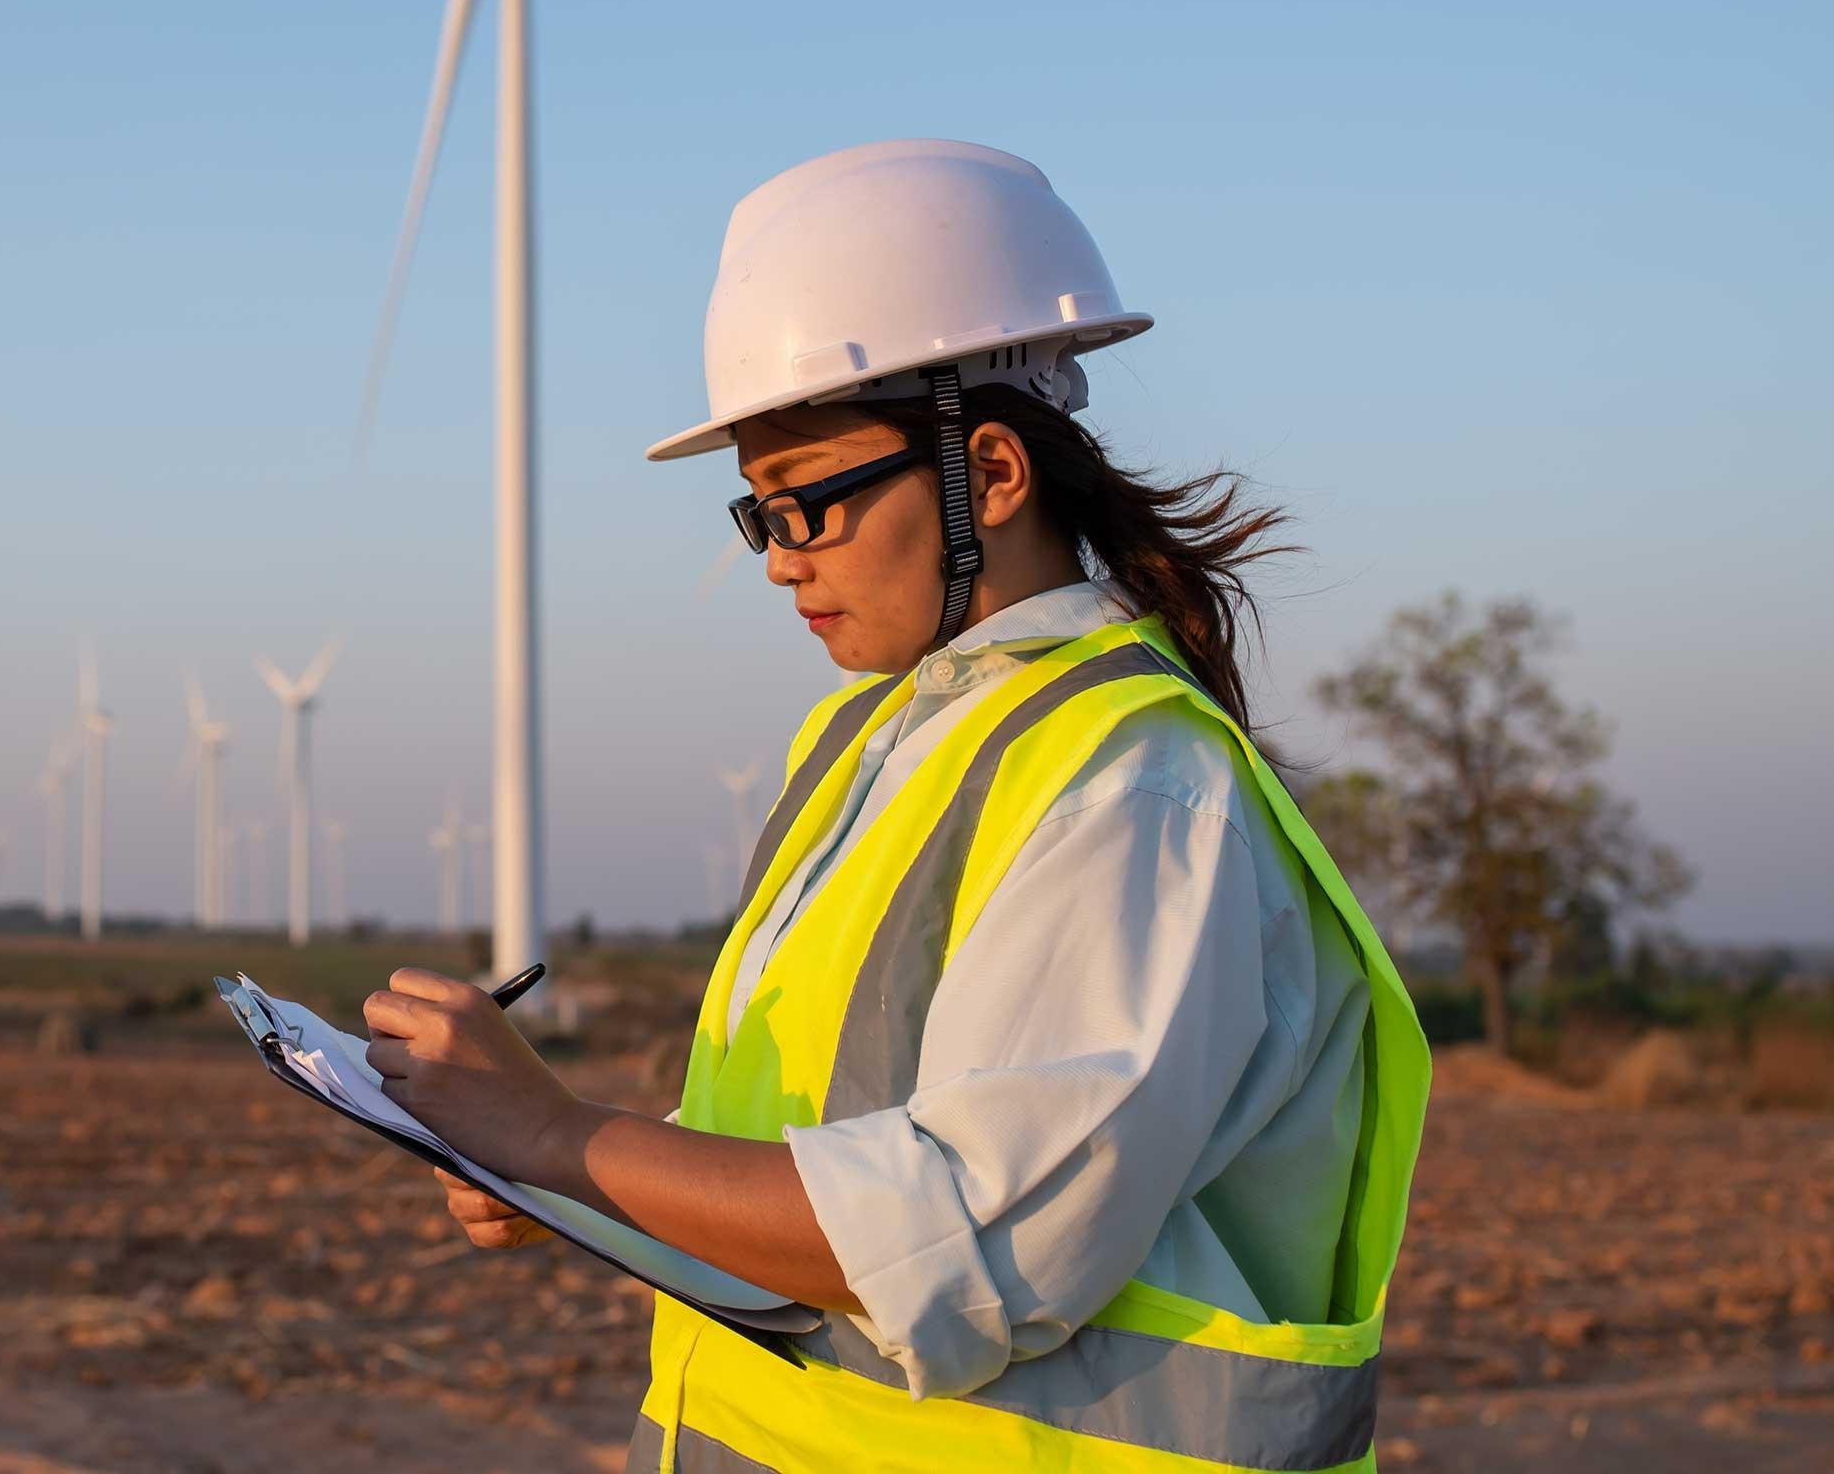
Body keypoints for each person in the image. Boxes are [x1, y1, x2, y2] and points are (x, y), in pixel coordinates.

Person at [360, 140, 1429, 1472]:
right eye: (760, 519)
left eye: (807, 506)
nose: (781, 563)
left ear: (990, 474)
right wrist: (579, 1180)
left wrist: (560, 1136)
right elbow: (828, 1153)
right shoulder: (875, 742)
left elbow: (971, 1237)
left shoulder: (1136, 785)